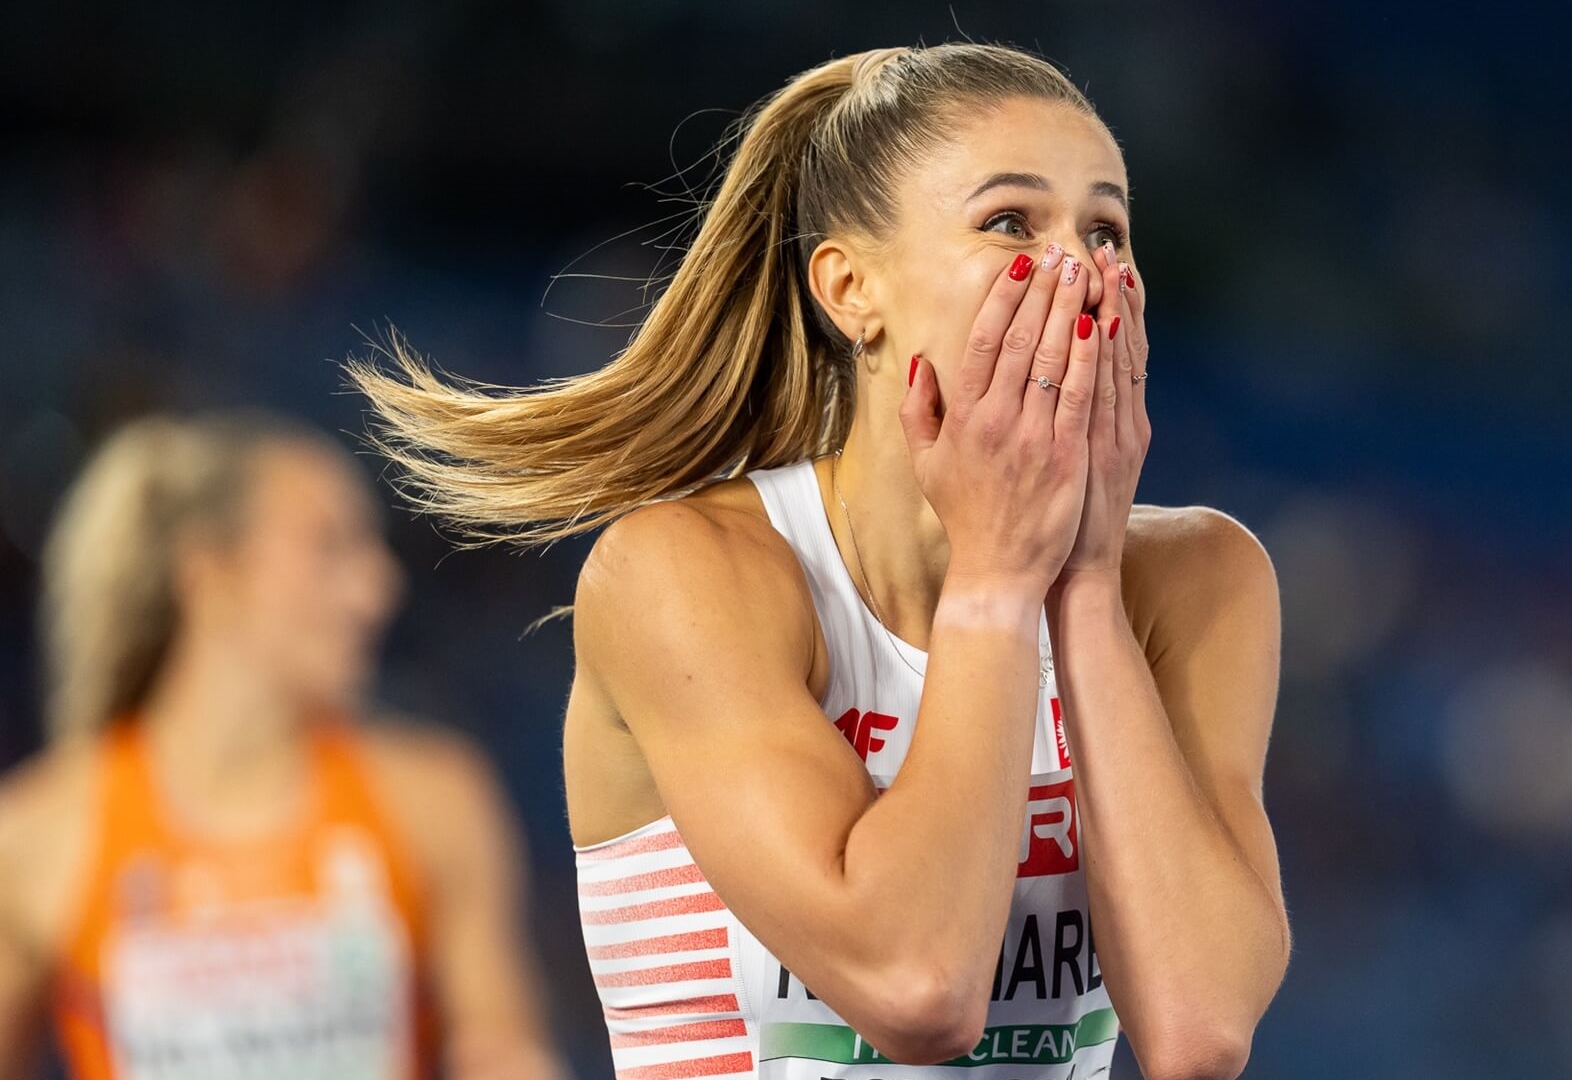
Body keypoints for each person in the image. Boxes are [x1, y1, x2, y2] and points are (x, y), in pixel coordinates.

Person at [351, 42, 1290, 1080]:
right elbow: (916, 987)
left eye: (1106, 228)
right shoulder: (687, 573)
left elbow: (1198, 1029)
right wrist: (994, 579)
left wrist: (1086, 585)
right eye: (1012, 224)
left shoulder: (1201, 578)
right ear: (851, 291)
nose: (1081, 269)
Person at [0, 412, 564, 1080]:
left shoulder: (433, 797)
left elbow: (504, 1046)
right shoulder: (41, 834)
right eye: (330, 547)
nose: (378, 590)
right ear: (209, 573)